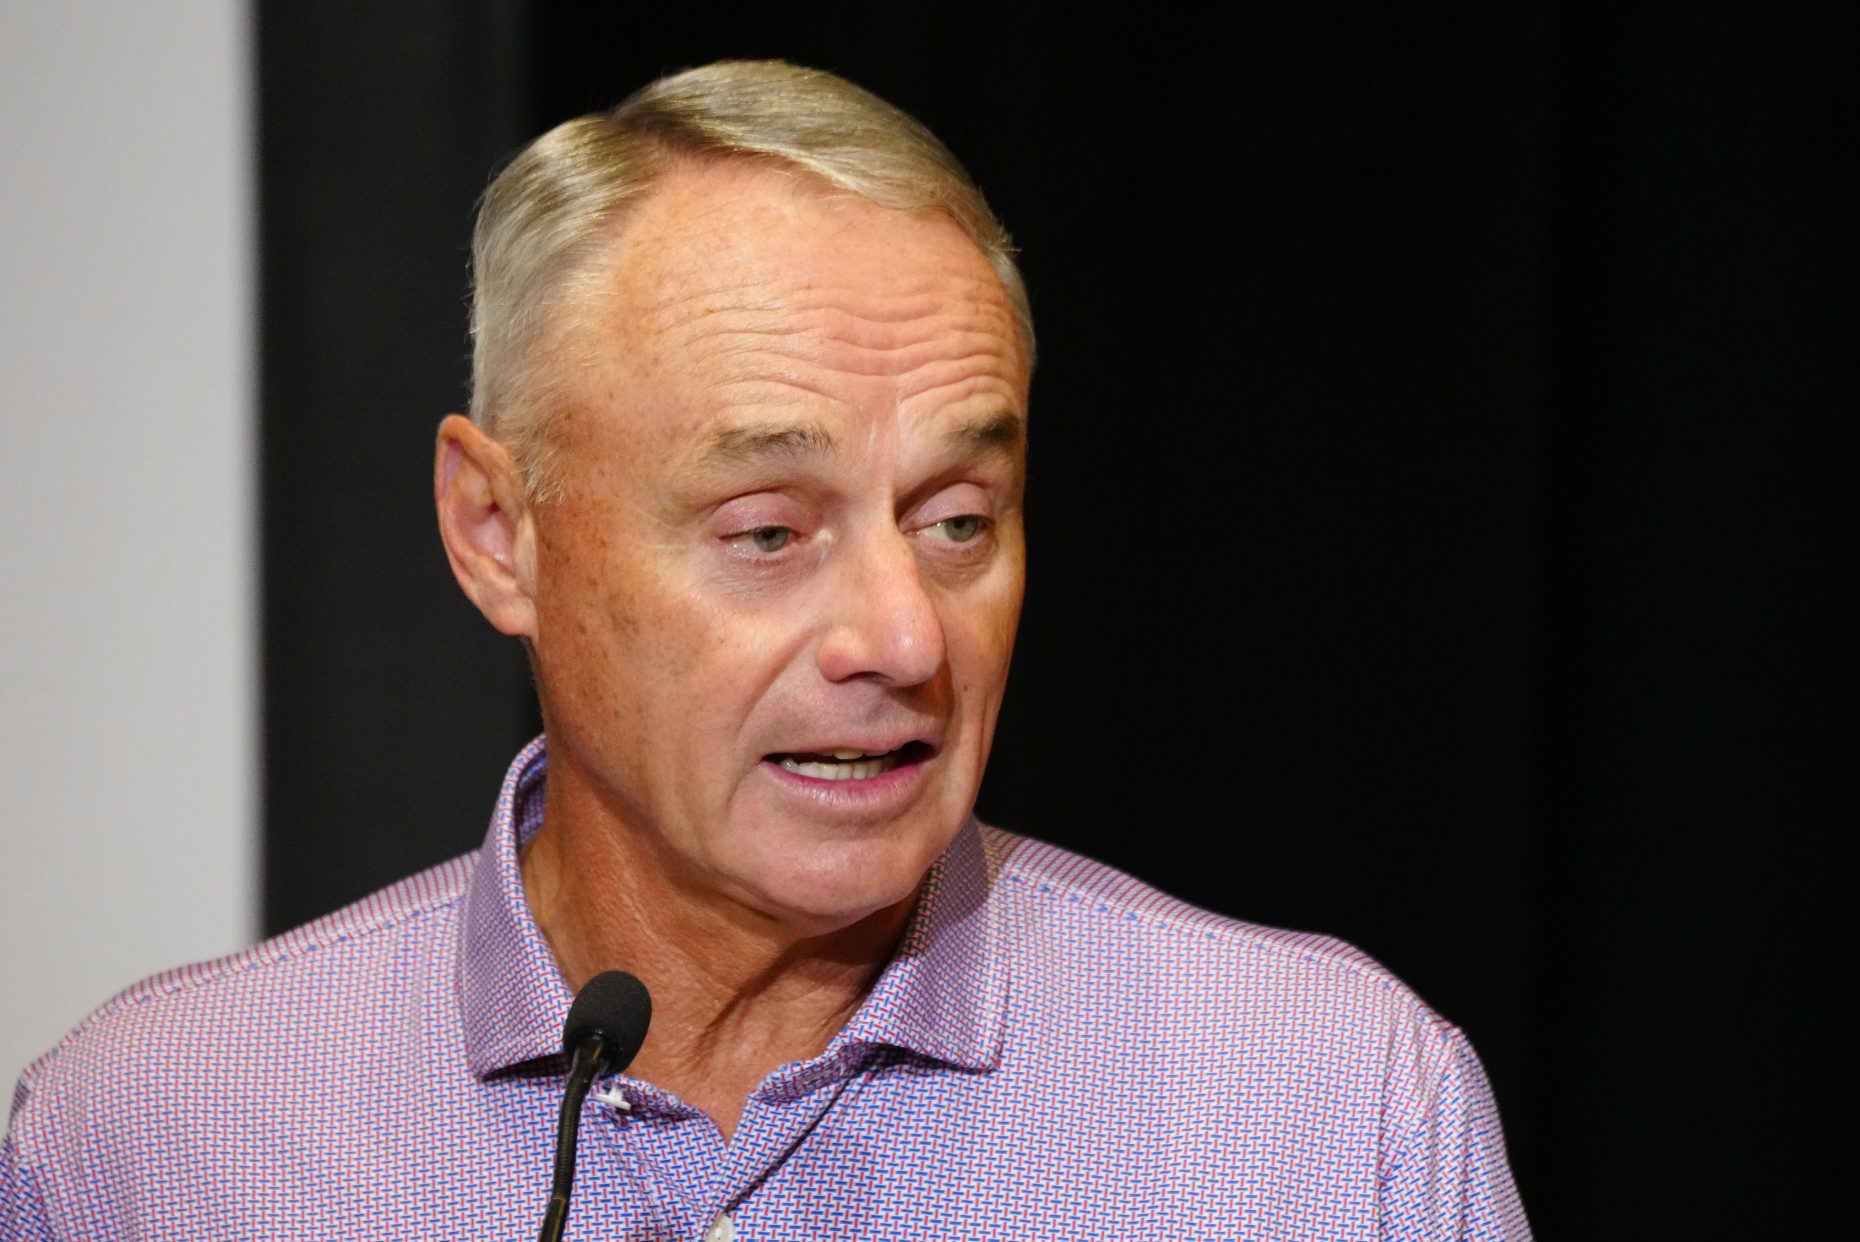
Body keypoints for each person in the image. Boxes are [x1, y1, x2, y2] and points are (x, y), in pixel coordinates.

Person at [1, 61, 1529, 1239]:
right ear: (496, 531)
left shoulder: (1334, 1122)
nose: (902, 634)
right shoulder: (153, 1140)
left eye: (956, 519)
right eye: (768, 531)